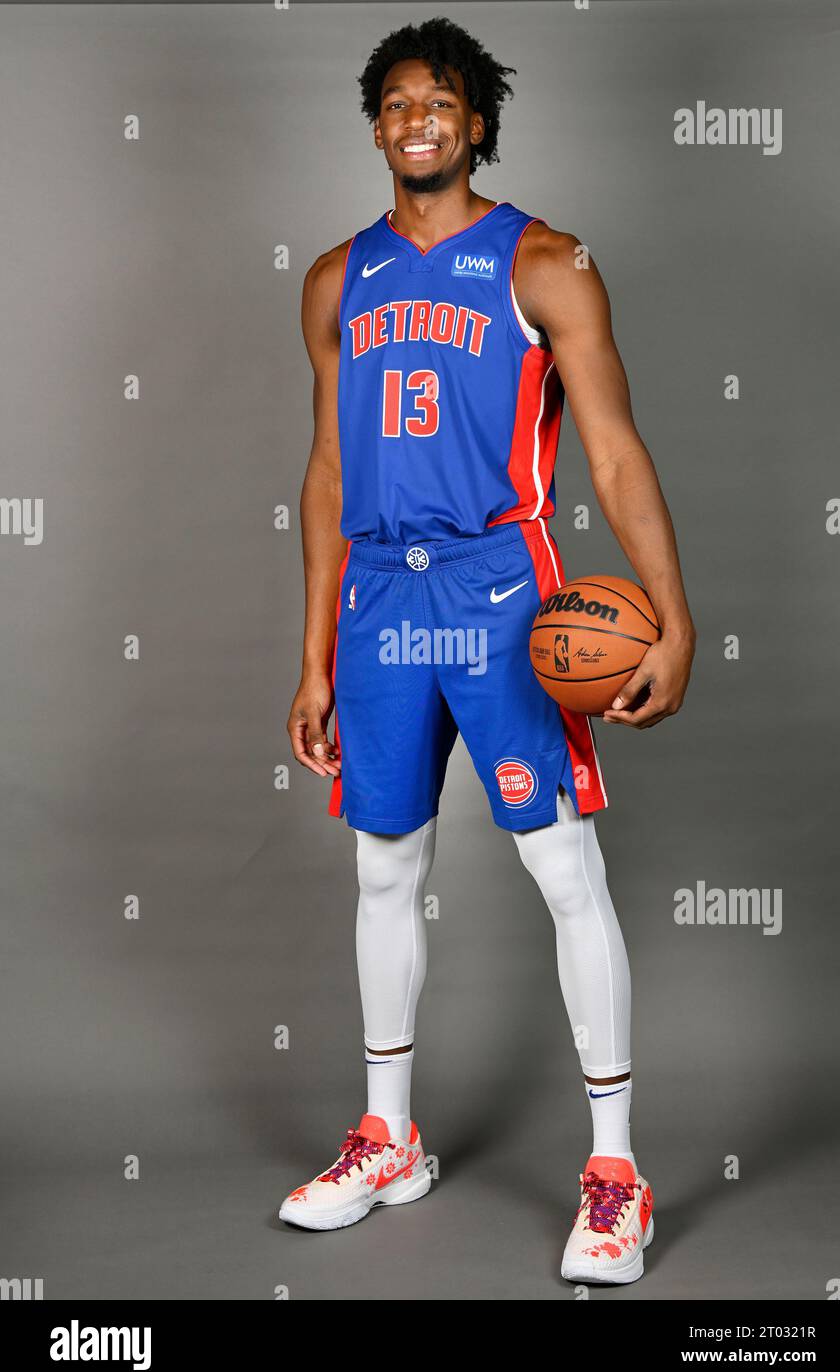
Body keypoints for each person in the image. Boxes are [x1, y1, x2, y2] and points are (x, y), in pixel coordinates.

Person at [281, 16, 695, 1285]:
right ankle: (388, 1136)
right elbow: (329, 468)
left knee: (563, 870)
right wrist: (310, 659)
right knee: (382, 869)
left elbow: (613, 452)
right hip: (376, 606)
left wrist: (671, 618)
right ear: (375, 126)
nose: (417, 116)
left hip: (503, 593)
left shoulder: (548, 262)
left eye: (440, 100)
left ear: (475, 123)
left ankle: (615, 1170)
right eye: (396, 100)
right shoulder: (332, 278)